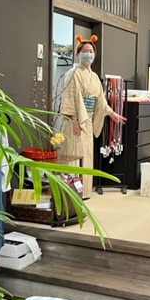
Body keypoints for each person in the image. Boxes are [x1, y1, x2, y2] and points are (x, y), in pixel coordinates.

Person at [59, 34, 126, 199]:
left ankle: (85, 191)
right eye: (85, 51)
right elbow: (69, 98)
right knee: (75, 154)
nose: (88, 54)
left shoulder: (94, 76)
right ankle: (72, 193)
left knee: (87, 155)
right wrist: (75, 121)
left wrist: (112, 114)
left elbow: (100, 100)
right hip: (75, 120)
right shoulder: (73, 73)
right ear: (78, 54)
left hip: (88, 120)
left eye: (91, 51)